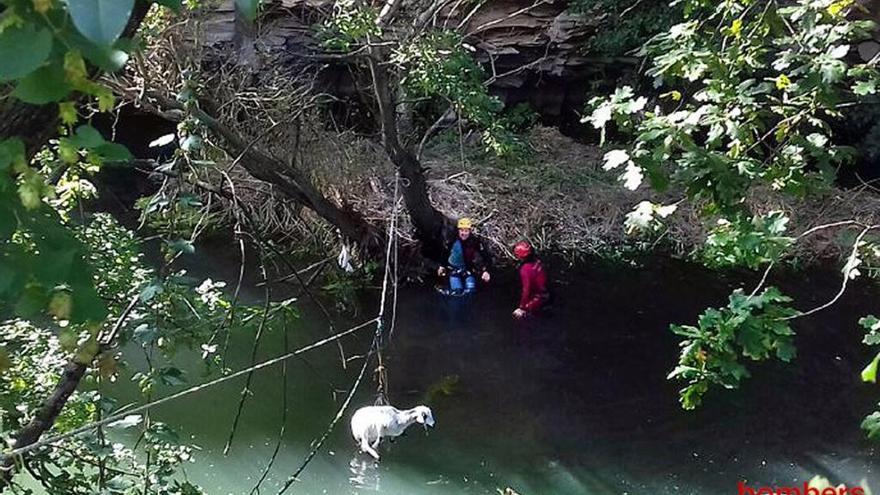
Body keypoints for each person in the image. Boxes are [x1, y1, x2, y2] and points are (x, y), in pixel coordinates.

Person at [437, 217, 492, 295]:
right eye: (461, 230)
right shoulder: (452, 239)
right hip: (453, 268)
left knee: (470, 291)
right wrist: (441, 266)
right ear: (458, 230)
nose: (463, 233)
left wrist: (485, 271)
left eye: (466, 231)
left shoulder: (474, 241)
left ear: (469, 231)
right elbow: (445, 253)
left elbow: (486, 256)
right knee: (457, 292)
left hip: (468, 268)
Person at [512, 241, 549, 318]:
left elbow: (526, 289)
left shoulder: (525, 269)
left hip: (536, 300)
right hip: (546, 295)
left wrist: (522, 307)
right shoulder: (538, 262)